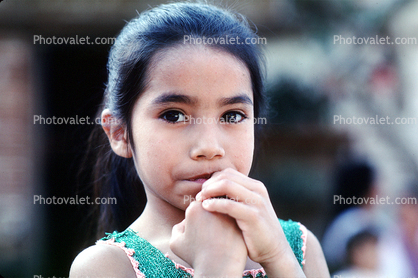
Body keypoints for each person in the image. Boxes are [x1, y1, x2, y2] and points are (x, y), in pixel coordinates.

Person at [69, 2, 329, 277]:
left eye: (232, 116)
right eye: (173, 115)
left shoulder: (299, 248)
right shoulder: (107, 267)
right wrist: (215, 267)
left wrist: (278, 258)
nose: (208, 147)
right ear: (120, 133)